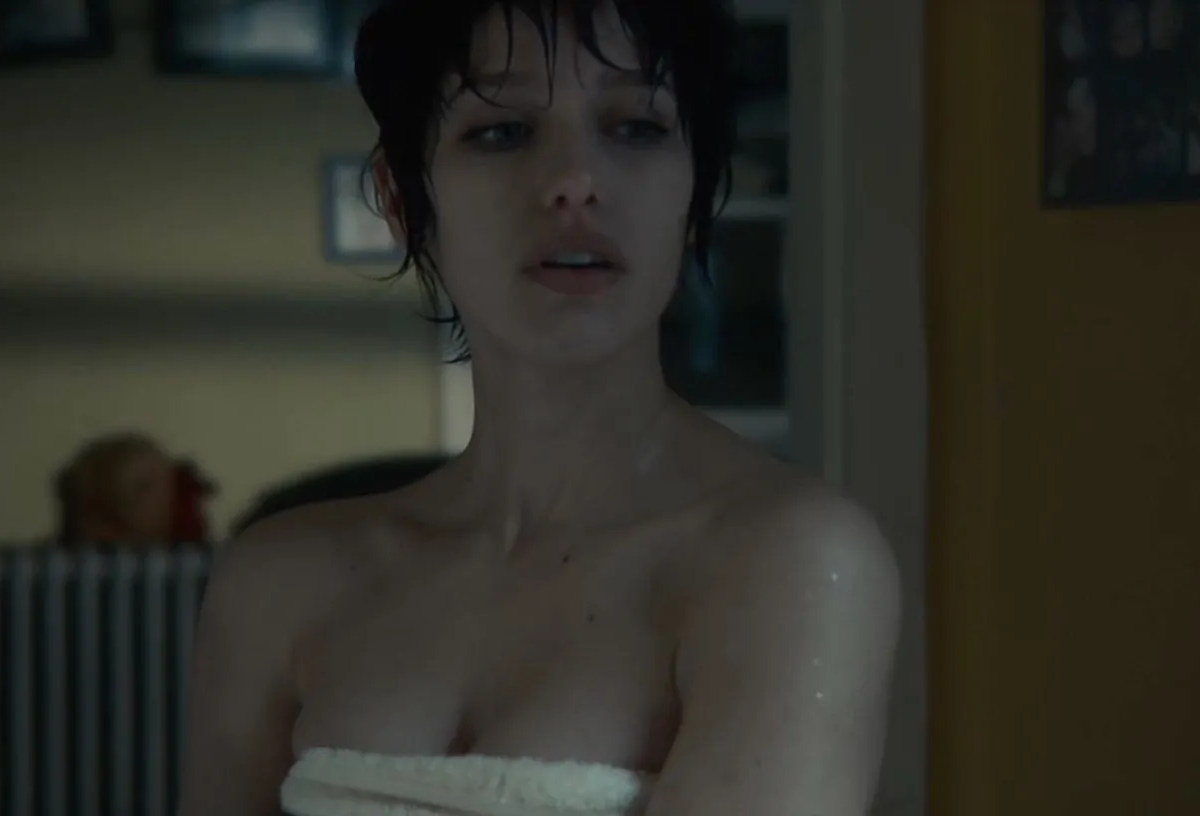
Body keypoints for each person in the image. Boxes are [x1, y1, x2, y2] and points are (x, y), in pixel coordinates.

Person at [177, 2, 902, 815]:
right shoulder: (276, 582)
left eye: (637, 128)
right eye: (502, 132)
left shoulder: (789, 559)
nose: (575, 181)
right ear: (402, 197)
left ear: (695, 185)